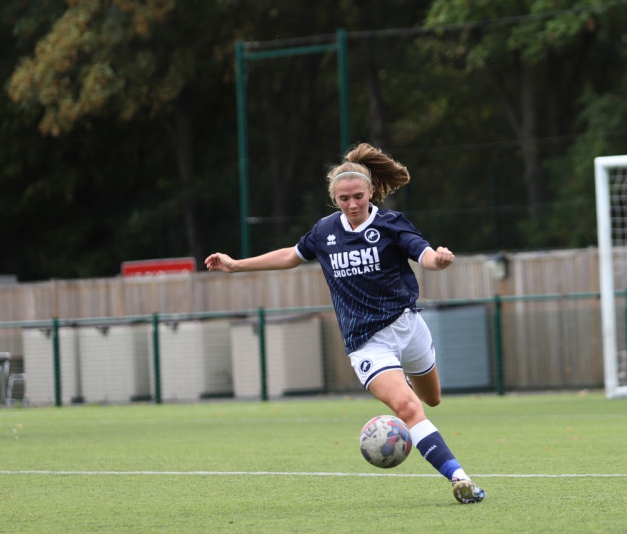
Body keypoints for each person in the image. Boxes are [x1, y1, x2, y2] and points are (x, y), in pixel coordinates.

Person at [205, 143, 486, 504]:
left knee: (431, 399)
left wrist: (439, 260)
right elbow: (291, 255)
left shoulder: (390, 224)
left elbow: (425, 255)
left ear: (371, 192)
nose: (352, 205)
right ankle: (460, 479)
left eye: (358, 197)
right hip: (367, 343)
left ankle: (404, 396)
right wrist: (235, 264)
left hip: (409, 328)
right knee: (408, 408)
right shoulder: (324, 231)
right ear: (334, 199)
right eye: (344, 199)